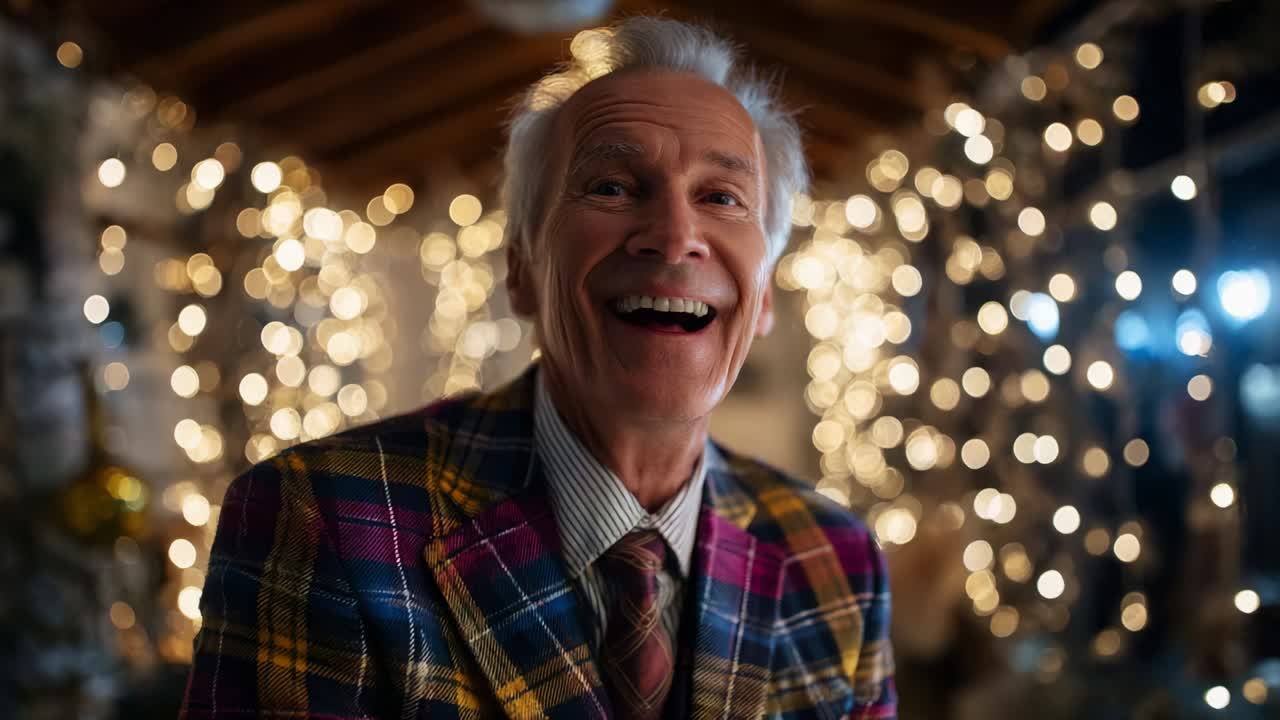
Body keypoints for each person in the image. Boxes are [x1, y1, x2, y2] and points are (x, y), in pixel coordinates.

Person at [180, 16, 895, 720]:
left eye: (720, 197)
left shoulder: (837, 563)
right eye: (612, 187)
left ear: (764, 294)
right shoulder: (326, 519)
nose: (676, 236)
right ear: (521, 272)